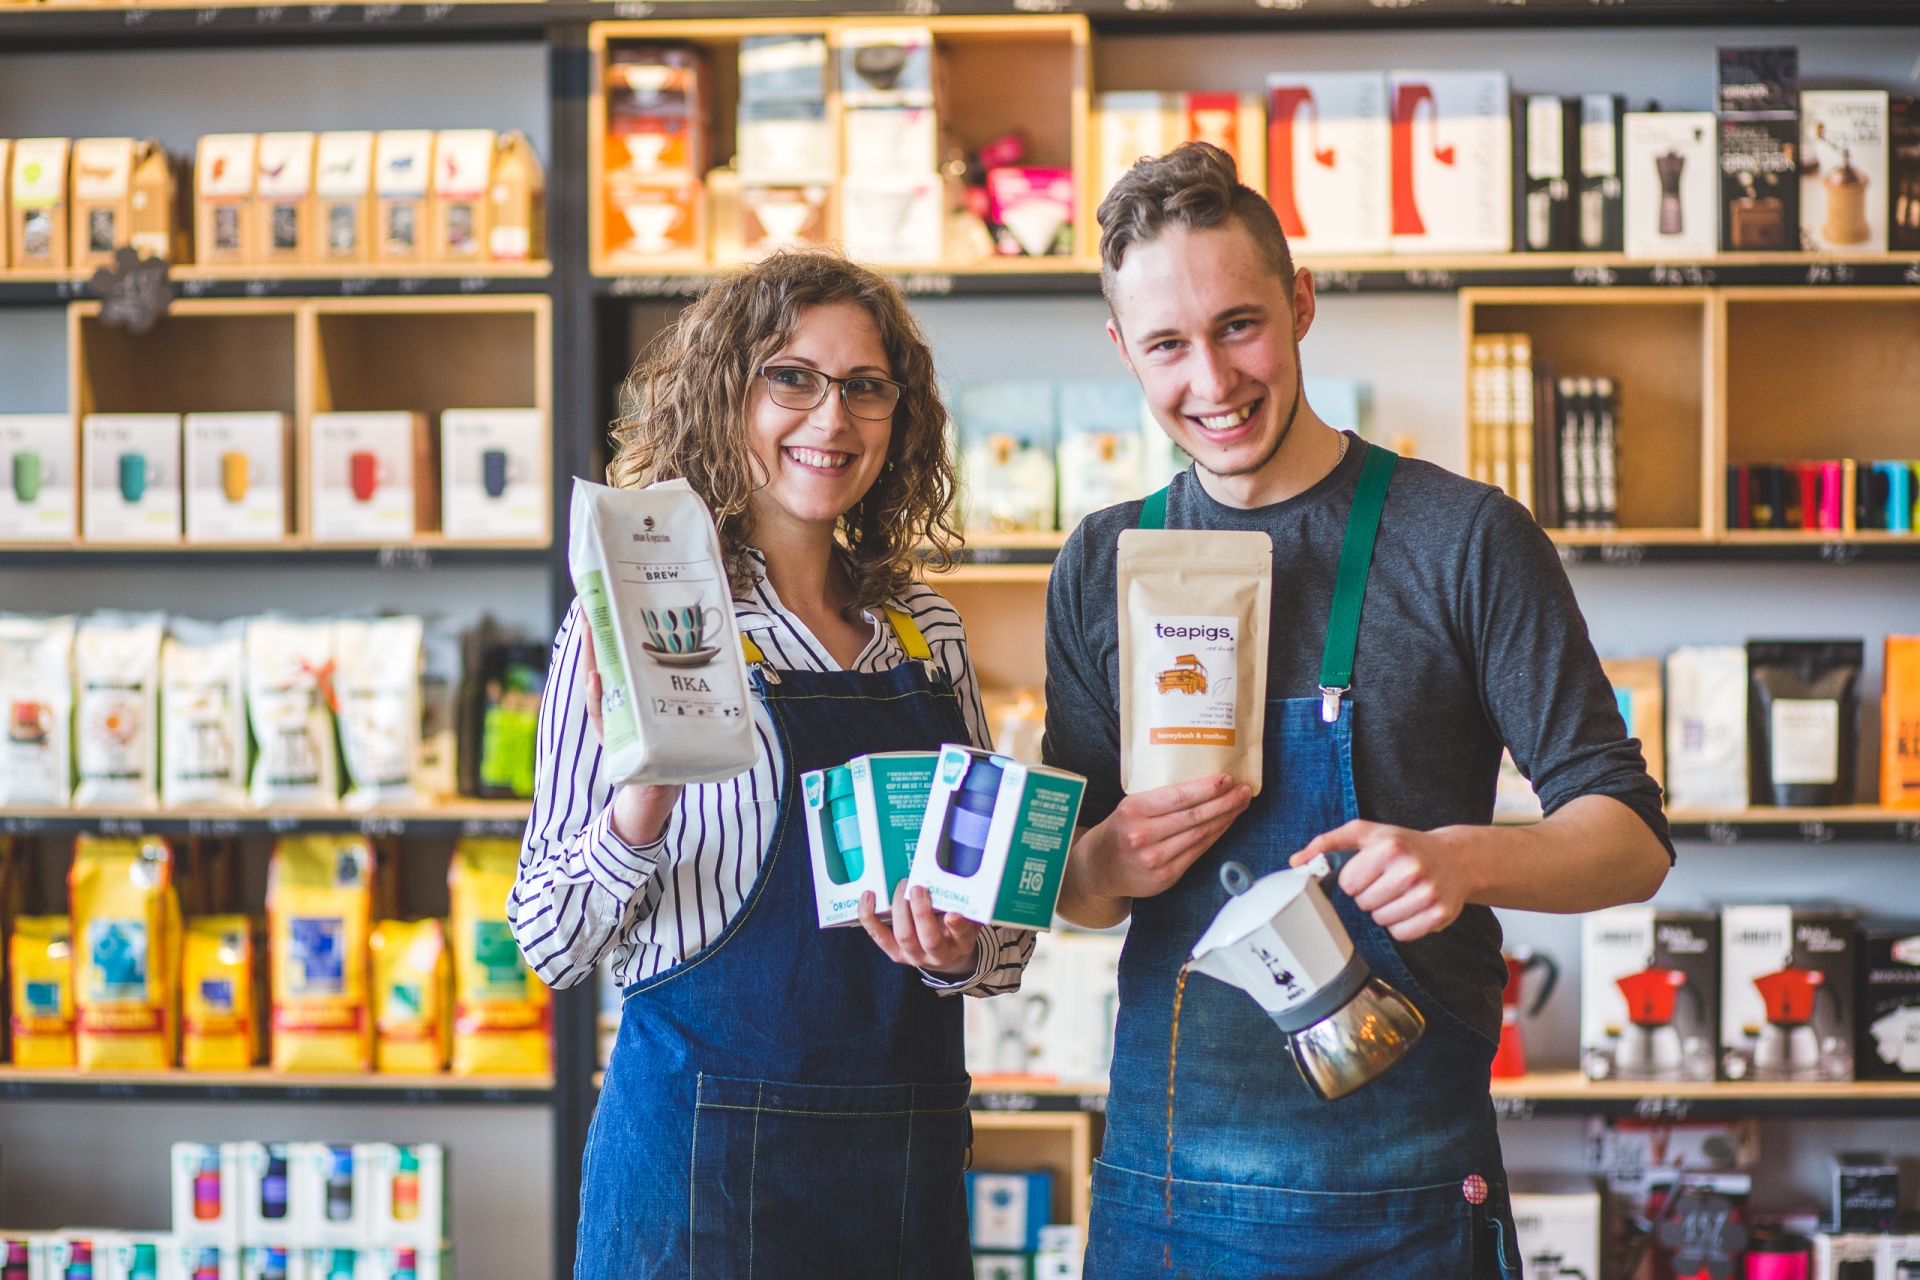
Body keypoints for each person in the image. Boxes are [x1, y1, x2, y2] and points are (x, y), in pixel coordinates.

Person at [1044, 143, 1674, 1278]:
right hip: (1168, 1195)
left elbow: (1630, 841)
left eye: (1239, 324)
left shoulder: (1466, 539)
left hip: (1407, 1200)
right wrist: (1104, 858)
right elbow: (1075, 892)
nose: (1213, 381)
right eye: (1167, 346)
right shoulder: (1103, 561)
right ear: (1122, 351)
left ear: (1299, 303)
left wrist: (1463, 860)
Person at [508, 250, 1032, 1278]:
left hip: (901, 1172)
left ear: (900, 414)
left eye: (864, 386)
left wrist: (955, 946)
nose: (830, 419)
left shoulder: (926, 633)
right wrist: (639, 803)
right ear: (724, 394)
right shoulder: (637, 624)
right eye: (789, 376)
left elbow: (1004, 942)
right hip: (697, 1181)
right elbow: (547, 938)